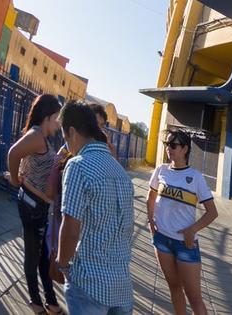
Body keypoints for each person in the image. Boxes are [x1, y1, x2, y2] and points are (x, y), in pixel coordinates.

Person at [55, 100, 135, 314]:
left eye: (65, 139)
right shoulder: (120, 172)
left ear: (71, 132)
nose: (67, 147)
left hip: (89, 284)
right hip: (122, 286)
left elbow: (70, 227)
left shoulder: (77, 165)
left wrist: (62, 263)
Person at [147, 129, 219, 315]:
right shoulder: (160, 170)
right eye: (166, 145)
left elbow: (212, 212)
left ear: (185, 149)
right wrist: (151, 222)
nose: (168, 149)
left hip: (185, 244)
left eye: (173, 145)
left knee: (194, 297)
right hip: (162, 240)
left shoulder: (195, 177)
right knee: (174, 287)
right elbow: (151, 197)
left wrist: (191, 230)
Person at [6, 94, 63, 315]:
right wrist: (13, 178)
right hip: (32, 206)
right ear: (47, 117)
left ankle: (50, 302)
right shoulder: (37, 135)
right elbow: (13, 153)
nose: (58, 123)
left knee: (40, 255)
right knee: (33, 256)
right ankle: (38, 303)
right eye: (56, 118)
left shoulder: (42, 138)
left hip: (38, 207)